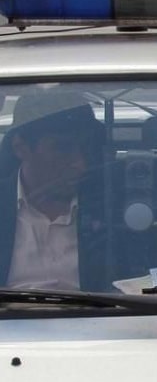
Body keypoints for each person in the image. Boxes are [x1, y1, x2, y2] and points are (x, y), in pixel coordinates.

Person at [0, 92, 107, 291]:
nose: (80, 164)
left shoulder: (111, 207)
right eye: (62, 148)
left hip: (99, 319)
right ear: (20, 148)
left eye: (85, 148)